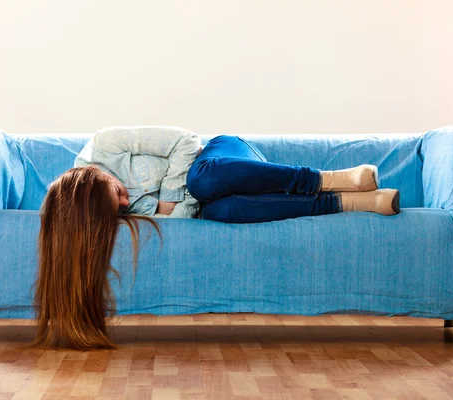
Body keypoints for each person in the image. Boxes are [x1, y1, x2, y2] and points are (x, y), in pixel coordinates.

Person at [33, 126, 399, 349]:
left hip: (223, 162)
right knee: (221, 213)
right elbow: (185, 219)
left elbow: (184, 142)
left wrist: (167, 202)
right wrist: (177, 211)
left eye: (120, 193)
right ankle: (348, 202)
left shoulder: (105, 145)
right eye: (122, 208)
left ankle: (325, 179)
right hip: (215, 202)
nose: (128, 203)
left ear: (99, 177)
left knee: (201, 180)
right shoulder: (92, 211)